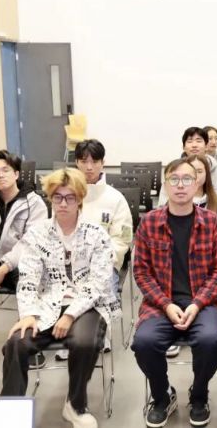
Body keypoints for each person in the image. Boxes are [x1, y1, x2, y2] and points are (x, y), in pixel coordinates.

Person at [1, 168, 120, 428]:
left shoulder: (96, 234)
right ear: (50, 199)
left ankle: (75, 405)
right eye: (57, 197)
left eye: (69, 197)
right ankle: (10, 412)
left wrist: (70, 314)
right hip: (47, 304)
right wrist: (28, 315)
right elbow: (28, 278)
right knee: (16, 343)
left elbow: (98, 284)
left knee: (84, 342)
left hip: (88, 305)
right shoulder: (38, 234)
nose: (63, 204)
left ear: (80, 199)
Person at [132, 158, 217, 428]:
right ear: (165, 185)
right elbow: (141, 272)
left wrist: (197, 304)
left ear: (197, 184)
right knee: (144, 342)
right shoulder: (149, 223)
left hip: (205, 303)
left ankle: (199, 395)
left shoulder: (212, 222)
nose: (180, 185)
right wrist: (166, 304)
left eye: (187, 179)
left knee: (210, 340)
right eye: (174, 179)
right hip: (161, 303)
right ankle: (162, 396)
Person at [52, 139, 133, 361]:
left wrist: (101, 261)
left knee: (99, 287)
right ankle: (67, 334)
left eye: (94, 161)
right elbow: (55, 231)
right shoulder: (65, 196)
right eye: (83, 161)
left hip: (104, 264)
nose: (89, 167)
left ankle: (98, 332)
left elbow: (123, 238)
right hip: (68, 262)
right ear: (76, 163)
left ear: (102, 163)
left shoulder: (115, 198)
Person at [0, 150, 48, 292]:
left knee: (29, 282)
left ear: (16, 174)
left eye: (5, 170)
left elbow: (30, 243)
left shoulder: (35, 204)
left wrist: (2, 270)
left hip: (17, 264)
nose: (0, 175)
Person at [158, 127, 217, 221]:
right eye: (190, 141)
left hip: (213, 223)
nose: (194, 145)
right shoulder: (173, 172)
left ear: (206, 146)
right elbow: (162, 206)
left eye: (199, 141)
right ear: (183, 147)